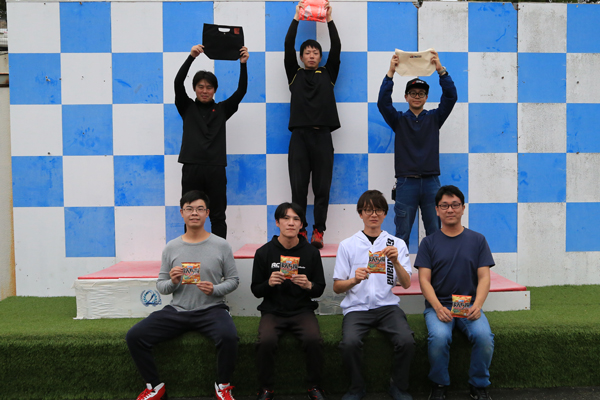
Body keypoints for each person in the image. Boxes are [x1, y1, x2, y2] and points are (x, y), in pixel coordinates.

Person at [126, 190, 240, 400]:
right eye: (189, 209)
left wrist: (214, 289)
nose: (194, 213)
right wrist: (173, 281)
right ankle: (155, 387)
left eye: (199, 209)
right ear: (182, 213)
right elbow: (161, 286)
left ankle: (223, 386)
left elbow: (233, 280)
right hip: (177, 310)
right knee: (135, 336)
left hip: (212, 309)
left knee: (229, 337)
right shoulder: (171, 247)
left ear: (207, 213)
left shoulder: (221, 245)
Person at [333, 190, 415, 400]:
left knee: (406, 340)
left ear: (385, 214)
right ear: (360, 214)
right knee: (349, 344)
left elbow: (406, 284)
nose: (373, 214)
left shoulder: (396, 244)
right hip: (356, 308)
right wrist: (354, 280)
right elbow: (337, 287)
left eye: (378, 210)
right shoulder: (347, 245)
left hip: (387, 307)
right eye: (368, 210)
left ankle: (398, 386)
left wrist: (395, 262)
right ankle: (356, 388)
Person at [414, 185, 495, 400]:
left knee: (484, 337)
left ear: (463, 208)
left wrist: (478, 304)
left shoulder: (478, 240)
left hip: (469, 305)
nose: (450, 210)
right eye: (444, 206)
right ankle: (439, 384)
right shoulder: (428, 243)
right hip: (438, 305)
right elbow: (424, 280)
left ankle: (478, 385)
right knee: (439, 338)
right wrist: (437, 307)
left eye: (455, 205)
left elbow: (484, 278)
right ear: (437, 210)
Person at [377, 51, 457, 249]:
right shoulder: (399, 120)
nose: (417, 97)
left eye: (421, 94)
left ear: (426, 97)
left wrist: (441, 71)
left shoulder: (434, 118)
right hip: (406, 183)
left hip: (431, 182)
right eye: (413, 93)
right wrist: (390, 73)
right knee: (402, 234)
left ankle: (436, 268)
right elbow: (383, 103)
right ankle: (399, 268)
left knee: (435, 233)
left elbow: (451, 97)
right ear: (406, 97)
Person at [251, 202, 327, 400]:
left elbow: (320, 287)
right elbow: (256, 290)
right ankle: (266, 388)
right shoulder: (264, 252)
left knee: (314, 340)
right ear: (277, 222)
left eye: (296, 219)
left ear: (301, 224)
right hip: (272, 311)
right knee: (265, 341)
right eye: (286, 218)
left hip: (302, 310)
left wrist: (308, 285)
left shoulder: (311, 252)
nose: (291, 223)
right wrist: (268, 283)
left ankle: (314, 386)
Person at [174, 44, 249, 239]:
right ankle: (190, 251)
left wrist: (243, 64)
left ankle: (219, 254)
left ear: (215, 90)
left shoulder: (222, 110)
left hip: (215, 168)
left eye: (209, 87)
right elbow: (177, 82)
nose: (204, 91)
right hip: (191, 167)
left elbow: (241, 91)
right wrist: (191, 57)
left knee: (217, 215)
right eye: (200, 87)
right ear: (194, 89)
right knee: (191, 214)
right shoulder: (186, 107)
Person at [284, 0, 341, 249]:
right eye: (307, 52)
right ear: (301, 57)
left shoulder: (328, 73)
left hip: (323, 137)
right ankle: (301, 230)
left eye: (315, 52)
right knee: (298, 189)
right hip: (299, 138)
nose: (311, 55)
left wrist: (329, 20)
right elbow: (288, 45)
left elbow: (337, 47)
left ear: (320, 57)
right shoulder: (294, 74)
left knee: (322, 188)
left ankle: (319, 231)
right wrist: (297, 17)